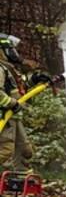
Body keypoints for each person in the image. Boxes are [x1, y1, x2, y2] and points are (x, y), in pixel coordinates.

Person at [0, 34, 36, 171]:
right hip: (5, 116)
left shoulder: (7, 68)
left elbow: (19, 84)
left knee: (24, 151)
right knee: (5, 152)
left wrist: (35, 79)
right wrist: (12, 103)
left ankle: (19, 181)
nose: (13, 54)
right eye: (9, 50)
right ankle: (5, 181)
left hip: (13, 117)